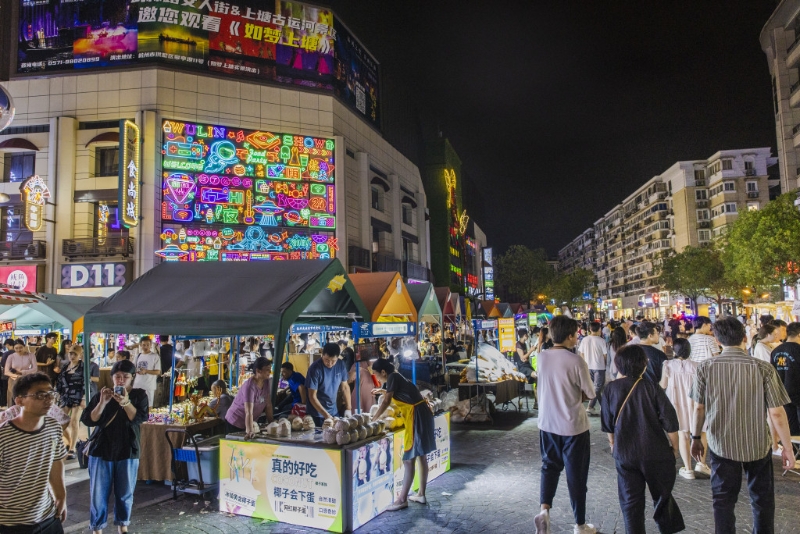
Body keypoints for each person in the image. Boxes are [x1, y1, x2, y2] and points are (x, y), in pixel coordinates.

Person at [689, 317, 794, 534]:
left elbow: (698, 408)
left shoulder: (705, 368)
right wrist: (788, 448)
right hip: (758, 444)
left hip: (721, 444)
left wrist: (696, 437)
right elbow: (777, 412)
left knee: (723, 500)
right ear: (745, 338)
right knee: (762, 499)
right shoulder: (763, 368)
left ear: (717, 340)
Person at [601, 345, 684, 534]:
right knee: (662, 496)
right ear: (643, 365)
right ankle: (667, 529)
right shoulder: (651, 387)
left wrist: (613, 445)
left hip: (625, 454)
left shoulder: (611, 389)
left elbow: (608, 424)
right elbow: (670, 422)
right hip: (656, 452)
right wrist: (675, 448)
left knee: (631, 502)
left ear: (619, 366)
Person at [534, 316, 597, 534]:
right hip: (573, 427)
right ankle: (579, 524)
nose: (577, 336)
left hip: (547, 424)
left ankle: (544, 512)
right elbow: (590, 393)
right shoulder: (577, 361)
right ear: (570, 336)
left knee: (549, 467)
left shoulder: (541, 357)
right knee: (576, 475)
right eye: (576, 334)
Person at [81, 359, 148, 534]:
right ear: (111, 378)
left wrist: (125, 402)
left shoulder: (139, 395)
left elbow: (139, 418)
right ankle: (97, 528)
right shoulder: (101, 395)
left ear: (132, 377)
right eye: (117, 376)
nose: (121, 380)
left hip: (128, 449)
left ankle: (122, 525)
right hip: (101, 449)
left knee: (125, 492)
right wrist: (102, 403)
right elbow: (88, 420)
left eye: (125, 376)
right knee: (98, 493)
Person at [0, 373, 67, 534]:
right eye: (39, 395)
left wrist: (61, 497)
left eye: (51, 393)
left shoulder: (54, 427)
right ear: (19, 400)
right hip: (10, 522)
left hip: (47, 516)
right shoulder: (4, 435)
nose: (48, 399)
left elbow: (56, 463)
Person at [371, 358, 435, 511]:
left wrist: (374, 418)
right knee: (421, 456)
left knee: (408, 458)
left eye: (377, 375)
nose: (377, 378)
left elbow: (386, 401)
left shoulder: (392, 377)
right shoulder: (396, 376)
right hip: (421, 413)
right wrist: (382, 390)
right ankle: (421, 494)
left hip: (416, 416)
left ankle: (401, 499)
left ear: (383, 372)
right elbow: (397, 393)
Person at [660, 338, 709, 479]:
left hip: (676, 403)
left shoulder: (668, 365)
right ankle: (701, 463)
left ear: (674, 350)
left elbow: (663, 385)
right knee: (701, 432)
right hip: (695, 403)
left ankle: (688, 469)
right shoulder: (698, 365)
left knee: (683, 435)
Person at [770, 322, 800, 459]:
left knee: (791, 426)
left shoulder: (775, 351)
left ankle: (795, 454)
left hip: (782, 393)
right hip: (798, 393)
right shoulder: (798, 350)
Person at [224, 357, 274, 437]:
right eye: (267, 369)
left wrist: (272, 424)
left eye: (270, 369)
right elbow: (248, 411)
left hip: (247, 422)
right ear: (258, 371)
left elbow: (268, 405)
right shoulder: (250, 386)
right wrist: (250, 431)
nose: (270, 372)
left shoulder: (266, 382)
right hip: (235, 421)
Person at [54, 345, 87, 460]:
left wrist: (84, 398)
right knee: (60, 422)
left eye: (75, 354)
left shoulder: (83, 367)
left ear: (80, 355)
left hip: (78, 396)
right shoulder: (65, 367)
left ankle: (72, 448)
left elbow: (86, 383)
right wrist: (57, 393)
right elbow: (59, 382)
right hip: (65, 396)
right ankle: (68, 443)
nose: (72, 356)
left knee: (74, 420)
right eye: (70, 354)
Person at [305, 343, 351, 426]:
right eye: (326, 360)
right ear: (322, 355)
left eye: (333, 361)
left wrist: (348, 408)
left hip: (333, 410)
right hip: (317, 413)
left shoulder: (340, 365)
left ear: (338, 357)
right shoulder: (315, 369)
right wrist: (326, 416)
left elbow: (345, 387)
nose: (329, 363)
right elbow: (312, 396)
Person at [578, 322, 608, 416]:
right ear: (599, 330)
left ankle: (604, 406)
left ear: (590, 329)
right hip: (599, 367)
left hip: (588, 366)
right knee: (597, 387)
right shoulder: (601, 341)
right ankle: (590, 406)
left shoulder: (584, 340)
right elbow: (605, 355)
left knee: (596, 387)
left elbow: (581, 353)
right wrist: (605, 364)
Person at [5, 339, 38, 406]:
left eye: (20, 348)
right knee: (13, 399)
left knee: (25, 399)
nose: (18, 350)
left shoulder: (31, 355)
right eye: (16, 348)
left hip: (26, 379)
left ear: (24, 346)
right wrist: (16, 376)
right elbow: (6, 371)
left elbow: (35, 369)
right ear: (13, 348)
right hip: (13, 380)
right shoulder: (11, 356)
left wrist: (22, 372)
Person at [132, 337, 161, 408]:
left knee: (148, 406)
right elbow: (133, 368)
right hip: (137, 385)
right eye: (144, 345)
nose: (146, 347)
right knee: (136, 405)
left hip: (149, 386)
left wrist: (146, 371)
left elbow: (157, 372)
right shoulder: (138, 356)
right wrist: (136, 371)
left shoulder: (155, 356)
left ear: (151, 345)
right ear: (140, 345)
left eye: (148, 345)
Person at [0, 338, 15, 406]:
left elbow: (3, 363)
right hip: (15, 374)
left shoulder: (6, 354)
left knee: (4, 389)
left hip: (6, 375)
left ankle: (3, 403)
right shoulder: (17, 353)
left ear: (8, 344)